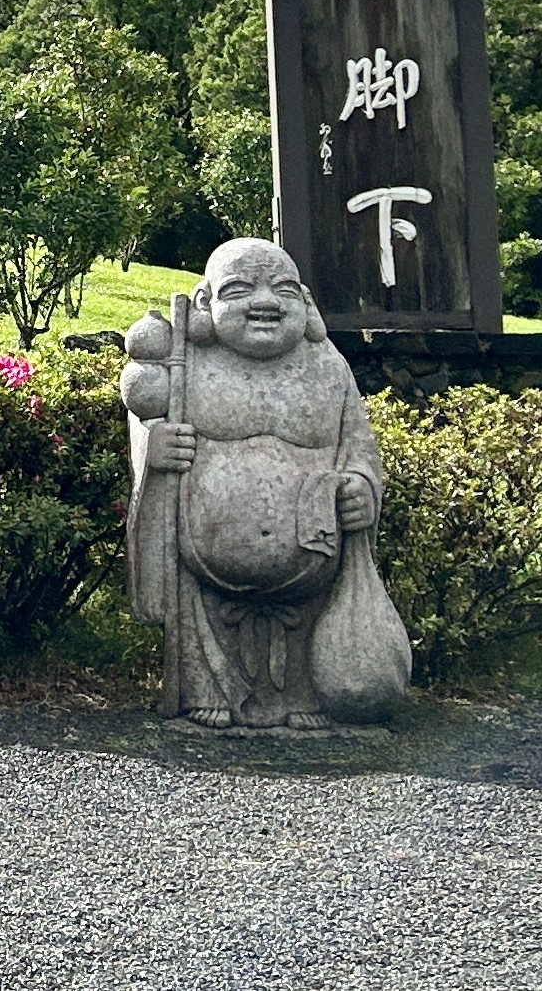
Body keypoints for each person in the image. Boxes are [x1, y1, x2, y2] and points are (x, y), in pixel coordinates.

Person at [121, 236, 412, 727]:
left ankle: (303, 694)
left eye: (284, 289)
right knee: (205, 632)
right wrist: (156, 448)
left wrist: (361, 487)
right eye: (240, 290)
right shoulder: (185, 365)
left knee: (311, 637)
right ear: (205, 304)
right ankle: (205, 688)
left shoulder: (328, 367)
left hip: (310, 574)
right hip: (205, 584)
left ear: (307, 303)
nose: (265, 302)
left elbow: (358, 447)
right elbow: (142, 422)